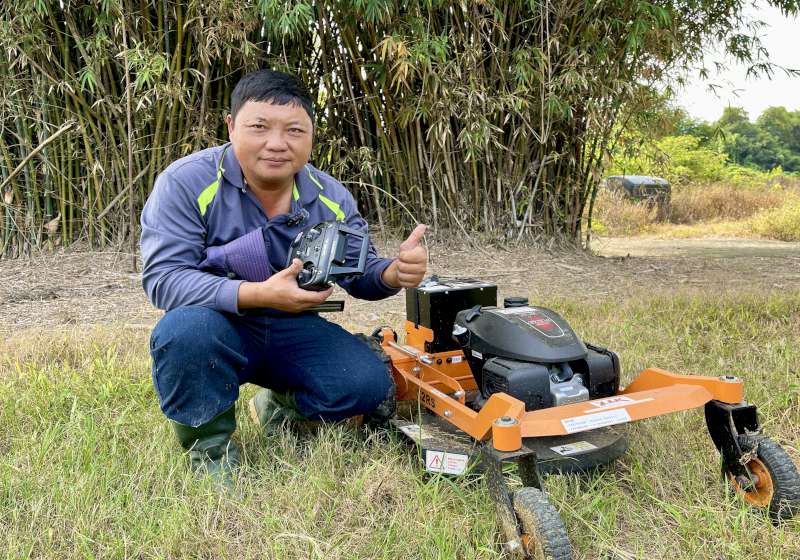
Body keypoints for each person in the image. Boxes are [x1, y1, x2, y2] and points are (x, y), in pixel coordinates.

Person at [140, 69, 427, 487]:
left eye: (294, 130)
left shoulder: (330, 195)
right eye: (259, 127)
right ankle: (209, 454)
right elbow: (164, 279)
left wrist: (394, 272)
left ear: (311, 136)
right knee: (183, 334)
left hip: (291, 326)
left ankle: (277, 406)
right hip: (213, 322)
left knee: (365, 383)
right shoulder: (185, 182)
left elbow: (360, 271)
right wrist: (258, 293)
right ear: (231, 126)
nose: (277, 143)